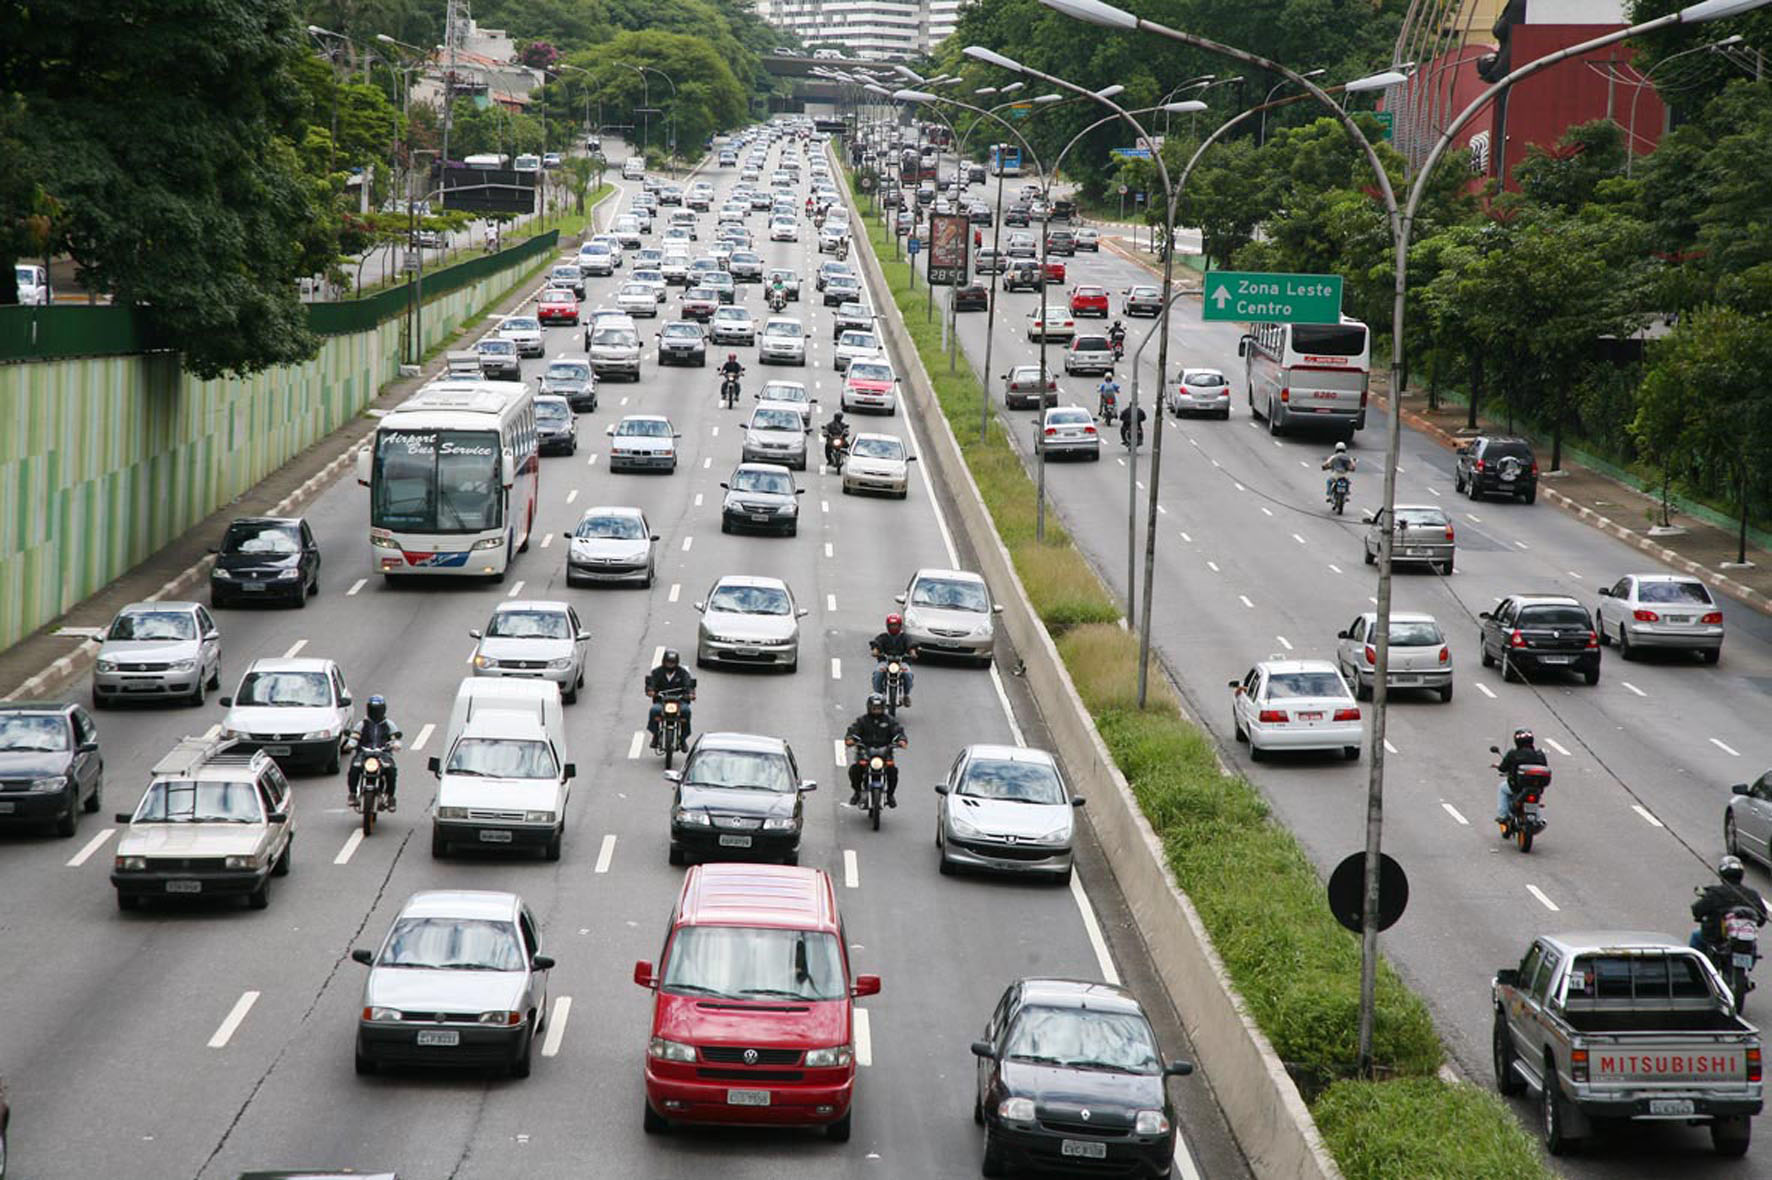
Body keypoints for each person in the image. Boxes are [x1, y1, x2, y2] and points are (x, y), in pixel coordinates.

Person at [1691, 856, 1768, 950]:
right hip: (1745, 945)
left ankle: (1692, 965)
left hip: (1716, 939)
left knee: (1696, 936)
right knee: (1753, 946)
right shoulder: (1752, 895)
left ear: (1722, 874)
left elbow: (1697, 910)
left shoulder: (1715, 893)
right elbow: (1762, 919)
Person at [845, 694, 908, 807]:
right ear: (869, 707)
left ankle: (890, 795)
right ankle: (857, 792)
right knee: (855, 770)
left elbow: (898, 731)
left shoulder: (889, 720)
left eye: (879, 708)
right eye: (874, 708)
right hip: (865, 752)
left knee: (892, 771)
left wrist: (901, 740)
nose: (876, 710)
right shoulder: (862, 721)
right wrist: (850, 739)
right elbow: (852, 731)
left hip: (884, 753)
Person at [346, 695, 403, 810]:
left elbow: (395, 738)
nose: (375, 712)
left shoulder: (389, 725)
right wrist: (350, 745)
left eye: (378, 709)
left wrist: (396, 745)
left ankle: (390, 797)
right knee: (354, 768)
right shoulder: (362, 724)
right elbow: (354, 737)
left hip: (383, 753)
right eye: (373, 709)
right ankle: (352, 794)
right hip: (363, 753)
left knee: (391, 770)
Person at [1494, 727, 1549, 827]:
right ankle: (1538, 818)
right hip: (1537, 788)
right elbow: (1545, 767)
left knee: (1502, 788)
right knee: (1536, 800)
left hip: (1516, 787)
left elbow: (1503, 768)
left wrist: (1498, 766)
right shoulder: (1540, 754)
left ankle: (1503, 815)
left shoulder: (1513, 754)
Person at [645, 649, 697, 751]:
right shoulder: (656, 672)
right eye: (668, 662)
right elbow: (651, 684)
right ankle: (655, 735)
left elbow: (689, 685)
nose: (670, 665)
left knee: (686, 711)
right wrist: (651, 691)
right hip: (662, 701)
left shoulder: (683, 673)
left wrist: (690, 694)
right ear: (664, 661)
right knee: (654, 711)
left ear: (676, 663)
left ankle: (682, 739)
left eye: (672, 663)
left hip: (679, 701)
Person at [869, 614, 917, 705]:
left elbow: (911, 645)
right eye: (891, 625)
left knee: (908, 674)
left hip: (901, 662)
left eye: (896, 625)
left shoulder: (905, 637)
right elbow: (876, 644)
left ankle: (906, 695)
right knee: (878, 673)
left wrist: (912, 652)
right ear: (887, 626)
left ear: (900, 626)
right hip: (885, 662)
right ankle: (877, 694)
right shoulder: (883, 637)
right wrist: (875, 651)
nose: (894, 627)